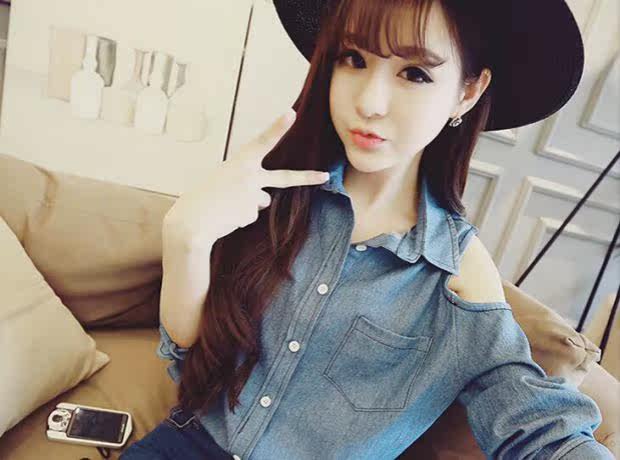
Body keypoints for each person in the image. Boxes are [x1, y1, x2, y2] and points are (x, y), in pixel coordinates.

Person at [121, 0, 615, 459]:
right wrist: (185, 239)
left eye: (414, 73)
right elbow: (188, 357)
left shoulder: (455, 268)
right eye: (353, 59)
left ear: (467, 92)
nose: (370, 102)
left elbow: (535, 423)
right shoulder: (271, 194)